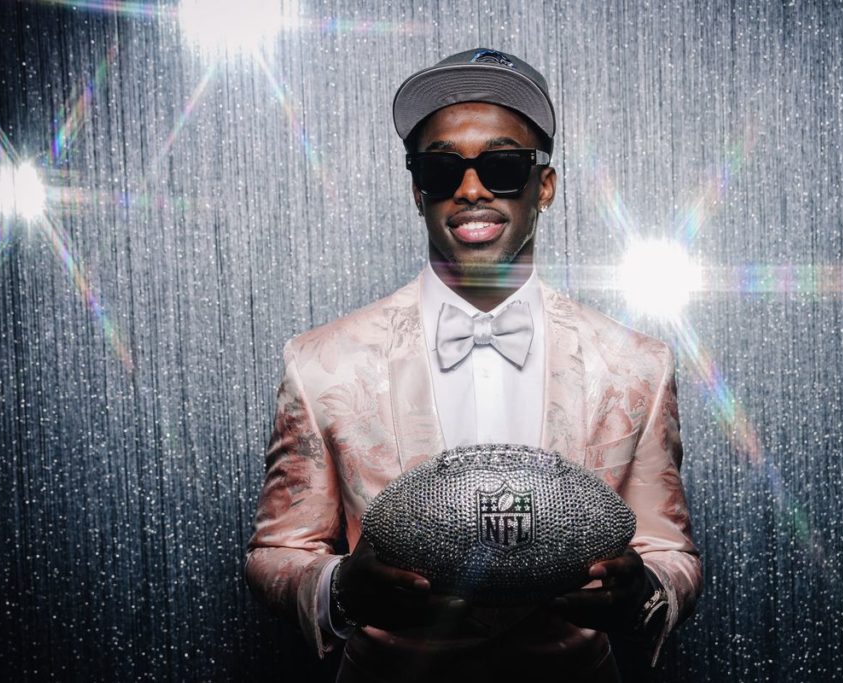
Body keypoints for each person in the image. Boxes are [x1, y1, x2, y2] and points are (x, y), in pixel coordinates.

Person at [245, 48, 701, 682]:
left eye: (502, 166)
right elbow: (278, 551)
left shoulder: (636, 366)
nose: (470, 189)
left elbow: (670, 552)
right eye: (441, 170)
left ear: (545, 186)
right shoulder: (322, 363)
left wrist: (644, 593)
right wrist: (340, 590)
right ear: (417, 191)